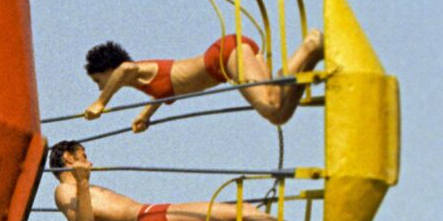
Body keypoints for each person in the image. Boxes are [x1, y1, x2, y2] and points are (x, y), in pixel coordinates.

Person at [48, 141, 323, 221]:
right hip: (151, 219)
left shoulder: (81, 196)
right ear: (68, 159)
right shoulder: (66, 191)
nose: (90, 162)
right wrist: (83, 182)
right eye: (83, 156)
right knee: (244, 212)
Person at [80, 29, 325, 131]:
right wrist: (145, 116)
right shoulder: (141, 81)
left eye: (98, 80)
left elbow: (125, 68)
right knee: (279, 112)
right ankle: (311, 55)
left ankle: (310, 44)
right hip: (229, 58)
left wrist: (101, 102)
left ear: (109, 70)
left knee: (270, 105)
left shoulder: (133, 70)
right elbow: (163, 92)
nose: (100, 86)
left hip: (223, 57)